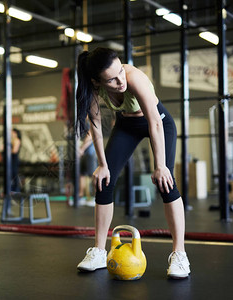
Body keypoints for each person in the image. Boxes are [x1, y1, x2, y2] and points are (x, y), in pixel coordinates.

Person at [75, 47, 190, 279]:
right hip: (126, 126)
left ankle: (180, 255)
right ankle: (98, 251)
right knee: (104, 181)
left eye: (120, 72)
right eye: (112, 79)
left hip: (159, 122)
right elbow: (95, 126)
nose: (120, 81)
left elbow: (154, 121)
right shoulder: (92, 90)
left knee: (166, 182)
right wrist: (102, 164)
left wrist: (160, 165)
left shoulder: (134, 77)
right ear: (97, 82)